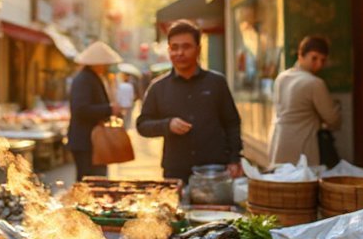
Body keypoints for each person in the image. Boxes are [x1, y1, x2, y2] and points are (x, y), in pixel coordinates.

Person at [137, 20, 243, 180]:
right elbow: (142, 125)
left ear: (198, 49)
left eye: (186, 47)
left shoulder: (216, 82)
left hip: (214, 170)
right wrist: (167, 125)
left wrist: (235, 159)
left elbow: (232, 122)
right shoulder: (158, 87)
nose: (179, 53)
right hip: (176, 171)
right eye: (174, 47)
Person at [268, 36, 341, 166]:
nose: (318, 64)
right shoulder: (315, 83)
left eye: (322, 60)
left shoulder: (281, 77)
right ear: (301, 55)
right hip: (303, 149)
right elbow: (332, 119)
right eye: (314, 58)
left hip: (278, 144)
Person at [66, 42, 123, 179]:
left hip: (92, 141)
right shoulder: (84, 79)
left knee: (95, 179)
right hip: (86, 141)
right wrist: (109, 109)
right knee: (90, 181)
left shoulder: (91, 78)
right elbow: (81, 109)